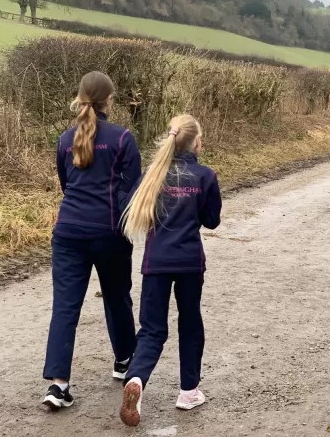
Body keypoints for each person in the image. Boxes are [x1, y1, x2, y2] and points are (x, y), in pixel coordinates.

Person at [43, 71, 141, 409]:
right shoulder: (123, 138)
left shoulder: (64, 139)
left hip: (68, 232)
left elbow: (66, 185)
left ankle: (58, 385)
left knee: (65, 306)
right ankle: (125, 361)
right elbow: (132, 190)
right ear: (109, 100)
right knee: (117, 297)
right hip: (110, 232)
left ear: (80, 97)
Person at [119, 114, 222, 427]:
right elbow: (212, 220)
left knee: (152, 329)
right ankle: (188, 391)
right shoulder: (205, 176)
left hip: (156, 262)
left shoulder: (153, 174)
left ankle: (136, 378)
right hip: (190, 262)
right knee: (190, 323)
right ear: (197, 142)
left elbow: (129, 204)